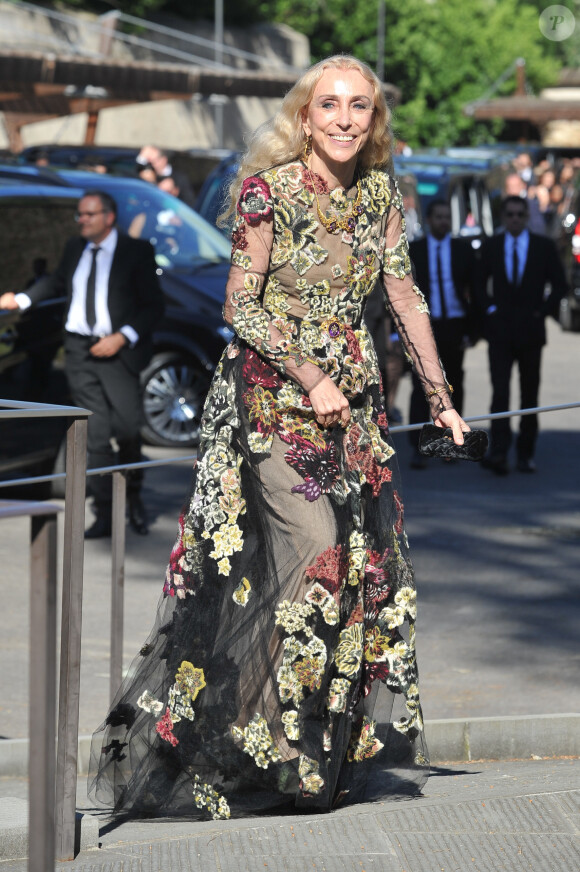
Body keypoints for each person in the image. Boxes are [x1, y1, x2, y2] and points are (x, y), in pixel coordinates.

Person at [89, 55, 468, 822]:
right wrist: (308, 374)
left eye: (359, 106)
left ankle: (286, 743)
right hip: (269, 397)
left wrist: (441, 397)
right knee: (316, 549)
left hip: (351, 408)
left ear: (375, 119)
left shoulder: (382, 195)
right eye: (328, 104)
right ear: (304, 115)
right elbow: (241, 303)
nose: (343, 119)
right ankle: (247, 737)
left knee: (346, 579)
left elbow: (403, 294)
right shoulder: (271, 191)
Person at [0, 190, 164, 536]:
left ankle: (132, 495)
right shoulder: (75, 248)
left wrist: (122, 336)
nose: (82, 221)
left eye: (88, 215)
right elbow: (58, 281)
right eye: (79, 215)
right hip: (79, 352)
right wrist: (23, 298)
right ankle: (104, 512)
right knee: (96, 436)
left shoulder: (136, 252)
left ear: (109, 216)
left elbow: (153, 307)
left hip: (118, 354)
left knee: (128, 429)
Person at [476, 196, 568, 475]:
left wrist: (541, 312)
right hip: (500, 332)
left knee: (530, 395)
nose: (515, 218)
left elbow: (560, 284)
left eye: (519, 214)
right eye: (510, 214)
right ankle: (500, 450)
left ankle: (526, 453)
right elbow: (478, 283)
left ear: (527, 217)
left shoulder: (543, 247)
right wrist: (489, 310)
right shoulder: (493, 245)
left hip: (530, 331)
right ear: (504, 217)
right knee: (500, 394)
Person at [407, 200, 476, 468]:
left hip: (454, 325)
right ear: (429, 219)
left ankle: (453, 443)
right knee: (420, 386)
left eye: (447, 217)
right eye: (439, 216)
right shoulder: (416, 250)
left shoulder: (462, 250)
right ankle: (418, 446)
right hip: (425, 325)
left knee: (454, 383)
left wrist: (473, 330)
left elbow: (475, 291)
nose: (444, 221)